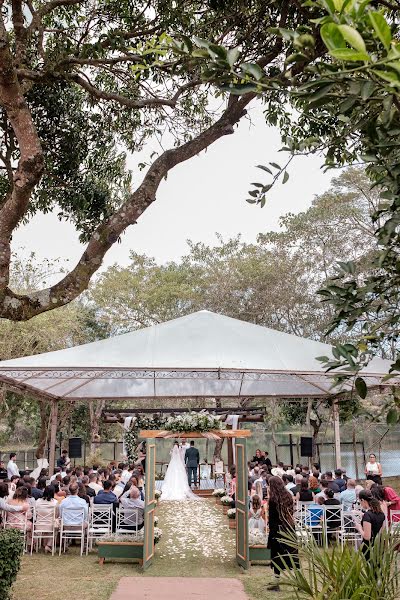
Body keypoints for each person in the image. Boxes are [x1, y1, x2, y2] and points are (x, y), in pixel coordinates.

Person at [267, 476, 299, 592]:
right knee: (293, 556)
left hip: (278, 531)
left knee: (277, 558)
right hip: (290, 529)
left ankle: (276, 583)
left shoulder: (273, 500)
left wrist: (271, 533)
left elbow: (272, 519)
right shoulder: (289, 496)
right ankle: (299, 582)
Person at [354, 490, 385, 559]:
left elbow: (367, 537)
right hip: (379, 546)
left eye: (360, 501)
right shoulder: (381, 514)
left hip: (369, 547)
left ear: (363, 500)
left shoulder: (368, 515)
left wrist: (359, 528)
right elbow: (382, 531)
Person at [35, 485, 59, 553]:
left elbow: (35, 513)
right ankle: (48, 545)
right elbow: (57, 515)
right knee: (56, 524)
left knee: (52, 524)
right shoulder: (55, 502)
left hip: (38, 524)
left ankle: (45, 544)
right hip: (50, 525)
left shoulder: (38, 501)